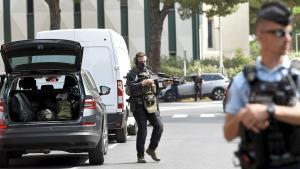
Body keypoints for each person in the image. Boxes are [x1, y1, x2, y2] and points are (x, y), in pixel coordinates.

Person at [224, 1, 300, 169]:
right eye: (280, 33)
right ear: (260, 34)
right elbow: (228, 134)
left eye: (289, 32)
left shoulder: (296, 75)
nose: (287, 38)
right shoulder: (242, 81)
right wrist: (245, 115)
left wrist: (268, 111)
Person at [125, 52, 163, 163]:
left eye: (145, 61)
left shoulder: (149, 71)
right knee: (143, 130)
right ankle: (140, 155)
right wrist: (143, 82)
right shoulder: (132, 73)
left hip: (150, 103)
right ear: (136, 61)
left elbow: (156, 87)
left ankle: (151, 149)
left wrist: (163, 84)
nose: (143, 63)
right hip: (138, 105)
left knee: (159, 126)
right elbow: (130, 87)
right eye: (141, 61)